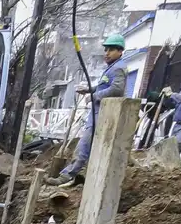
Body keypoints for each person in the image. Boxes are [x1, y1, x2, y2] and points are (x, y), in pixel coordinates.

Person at [51, 34, 127, 188]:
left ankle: (66, 176)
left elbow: (117, 89)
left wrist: (94, 96)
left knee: (83, 147)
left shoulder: (119, 68)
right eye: (106, 50)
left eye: (111, 50)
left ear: (120, 51)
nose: (106, 53)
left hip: (102, 116)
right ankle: (81, 175)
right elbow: (104, 86)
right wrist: (88, 90)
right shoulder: (111, 69)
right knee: (89, 147)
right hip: (97, 114)